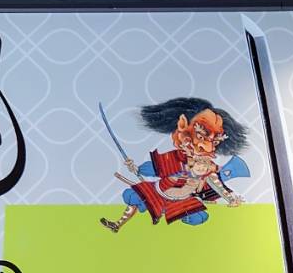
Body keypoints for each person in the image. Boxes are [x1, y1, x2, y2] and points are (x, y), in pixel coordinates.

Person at [100, 98, 249, 232]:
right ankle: (118, 224)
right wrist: (136, 168)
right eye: (198, 136)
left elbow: (217, 185)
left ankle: (168, 214)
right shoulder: (175, 158)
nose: (201, 146)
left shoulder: (208, 168)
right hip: (160, 191)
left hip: (182, 200)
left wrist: (230, 198)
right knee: (134, 197)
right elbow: (155, 168)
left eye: (210, 141)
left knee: (198, 217)